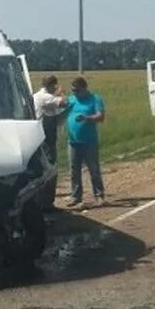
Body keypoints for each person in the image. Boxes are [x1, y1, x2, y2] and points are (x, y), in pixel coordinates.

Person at [65, 77, 106, 208]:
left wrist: (87, 118)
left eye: (77, 90)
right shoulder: (71, 100)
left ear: (84, 88)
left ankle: (99, 195)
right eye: (73, 90)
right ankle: (76, 196)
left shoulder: (95, 99)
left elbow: (101, 116)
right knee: (74, 170)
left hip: (89, 141)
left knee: (93, 169)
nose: (75, 93)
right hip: (73, 141)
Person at [33, 75, 67, 211]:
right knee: (50, 169)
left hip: (41, 136)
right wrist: (62, 92)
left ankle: (43, 201)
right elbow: (65, 102)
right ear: (52, 85)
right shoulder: (46, 98)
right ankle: (47, 203)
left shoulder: (38, 96)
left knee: (42, 169)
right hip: (46, 137)